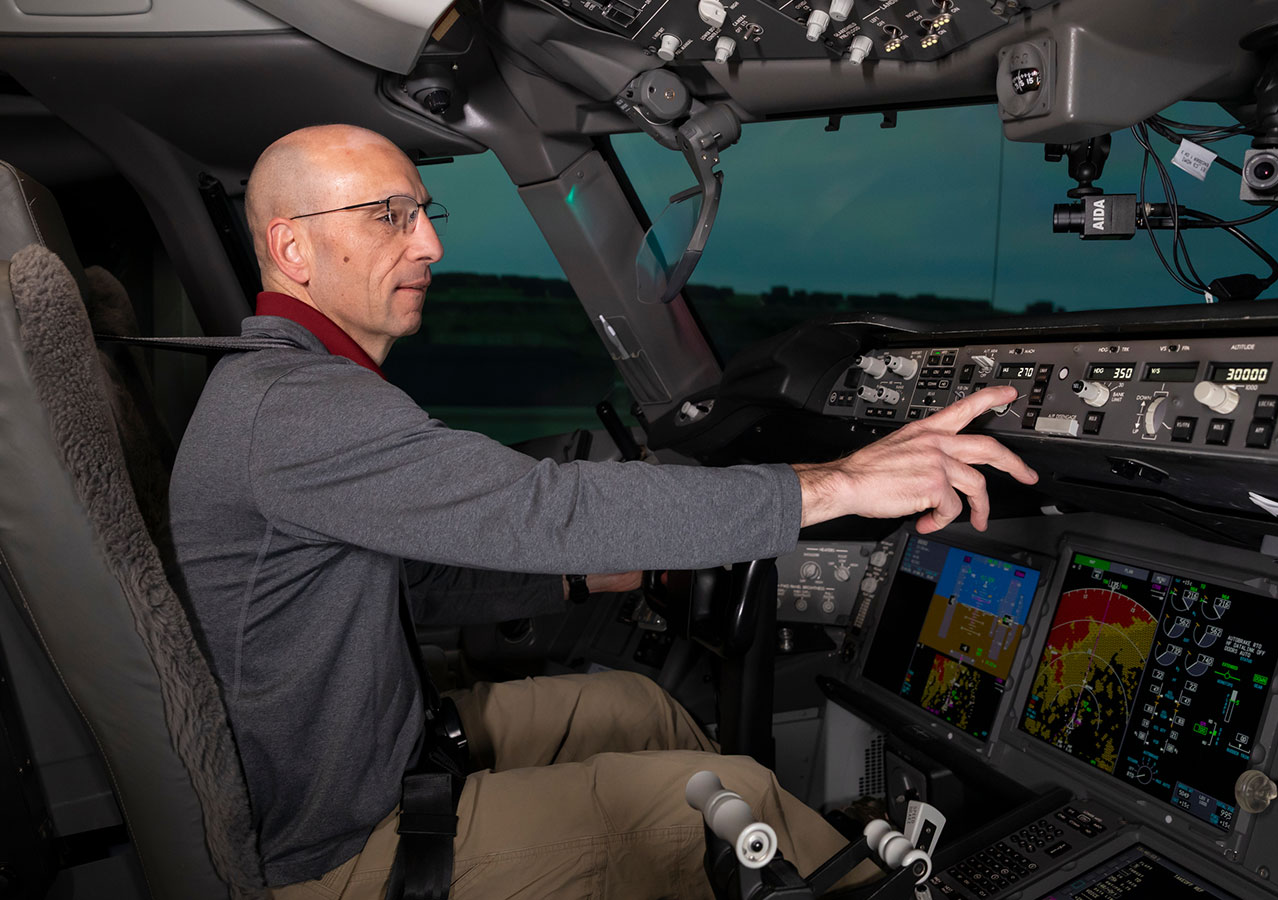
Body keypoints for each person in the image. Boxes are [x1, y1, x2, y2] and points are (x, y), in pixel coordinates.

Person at [169, 123, 1037, 899]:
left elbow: (414, 588)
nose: (430, 242)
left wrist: (602, 575)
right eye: (389, 216)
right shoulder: (294, 409)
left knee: (641, 707)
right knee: (741, 806)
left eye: (426, 213)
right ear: (293, 247)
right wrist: (840, 483)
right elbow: (541, 507)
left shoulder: (287, 393)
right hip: (338, 845)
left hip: (382, 756)